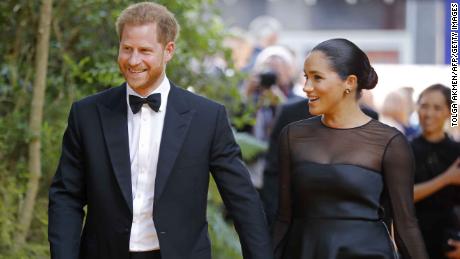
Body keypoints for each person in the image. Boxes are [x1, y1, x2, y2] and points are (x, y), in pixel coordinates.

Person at [48, 3, 272, 259]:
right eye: (127, 49)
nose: (133, 60)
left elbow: (242, 200)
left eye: (144, 51)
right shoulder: (86, 114)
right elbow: (66, 197)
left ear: (168, 51)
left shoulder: (208, 118)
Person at [272, 38, 428, 259]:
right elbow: (283, 218)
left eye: (317, 77)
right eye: (306, 77)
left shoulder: (389, 142)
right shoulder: (292, 136)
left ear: (350, 82)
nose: (306, 87)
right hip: (305, 252)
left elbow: (405, 225)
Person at [411, 84, 460, 259]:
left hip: (450, 241)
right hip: (413, 240)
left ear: (449, 112)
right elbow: (402, 196)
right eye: (424, 106)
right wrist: (447, 178)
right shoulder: (404, 148)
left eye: (437, 108)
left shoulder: (457, 151)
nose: (429, 114)